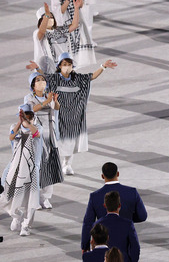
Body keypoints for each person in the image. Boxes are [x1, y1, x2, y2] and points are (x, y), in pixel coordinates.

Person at [26, 53, 117, 175]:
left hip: (74, 116)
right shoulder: (54, 78)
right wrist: (37, 68)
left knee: (71, 141)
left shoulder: (77, 78)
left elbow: (91, 77)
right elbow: (44, 76)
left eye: (69, 64)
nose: (67, 67)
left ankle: (67, 164)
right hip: (59, 115)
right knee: (56, 141)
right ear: (59, 66)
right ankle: (53, 165)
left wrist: (103, 66)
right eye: (64, 64)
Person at [81, 162, 148, 253]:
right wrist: (128, 218)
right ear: (118, 174)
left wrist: (85, 246)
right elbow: (142, 216)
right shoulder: (132, 192)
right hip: (126, 244)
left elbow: (88, 223)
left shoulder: (95, 196)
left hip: (103, 246)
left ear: (102, 176)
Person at [1, 104, 42, 236]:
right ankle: (16, 216)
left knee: (31, 200)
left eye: (29, 116)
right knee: (10, 196)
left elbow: (36, 133)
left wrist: (28, 123)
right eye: (24, 115)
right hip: (16, 169)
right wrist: (20, 122)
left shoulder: (37, 127)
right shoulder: (15, 128)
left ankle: (26, 225)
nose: (27, 118)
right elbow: (11, 137)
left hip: (32, 171)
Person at [24, 73, 64, 210]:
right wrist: (46, 102)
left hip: (50, 136)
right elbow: (30, 111)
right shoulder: (29, 98)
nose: (42, 82)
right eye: (38, 80)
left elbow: (56, 108)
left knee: (49, 167)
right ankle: (34, 198)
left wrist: (55, 100)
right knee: (37, 167)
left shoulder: (49, 95)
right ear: (33, 85)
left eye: (43, 80)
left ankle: (46, 198)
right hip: (36, 137)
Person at [50, 0, 96, 67]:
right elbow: (59, 11)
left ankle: (81, 63)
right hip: (68, 23)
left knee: (81, 41)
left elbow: (80, 5)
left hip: (78, 20)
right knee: (70, 45)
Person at [34, 1, 88, 76]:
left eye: (51, 16)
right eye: (47, 17)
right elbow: (41, 31)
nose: (50, 18)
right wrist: (46, 16)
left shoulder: (60, 29)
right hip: (50, 68)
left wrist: (76, 8)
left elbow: (74, 25)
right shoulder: (40, 33)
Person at [93, 191, 140, 262]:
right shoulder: (128, 224)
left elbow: (94, 247)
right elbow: (135, 247)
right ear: (119, 205)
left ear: (105, 205)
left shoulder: (97, 224)